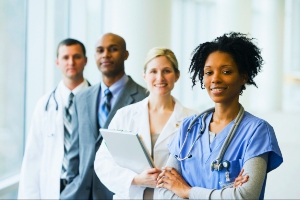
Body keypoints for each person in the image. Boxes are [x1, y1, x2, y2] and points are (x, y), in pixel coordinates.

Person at [157, 32, 283, 199]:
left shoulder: (257, 131)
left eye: (226, 71)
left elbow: (245, 195)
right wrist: (226, 194)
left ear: (243, 76)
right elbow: (162, 191)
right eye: (209, 73)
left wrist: (186, 191)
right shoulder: (189, 128)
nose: (215, 79)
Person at [94, 47, 198, 199]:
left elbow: (201, 167)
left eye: (167, 71)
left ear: (177, 75)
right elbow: (103, 162)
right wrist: (135, 179)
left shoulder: (193, 120)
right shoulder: (125, 115)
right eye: (153, 71)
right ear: (144, 76)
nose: (160, 77)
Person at [60, 33, 148, 199]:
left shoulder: (143, 98)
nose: (105, 54)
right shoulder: (82, 97)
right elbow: (74, 150)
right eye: (100, 50)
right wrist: (72, 183)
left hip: (116, 193)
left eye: (113, 49)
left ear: (125, 54)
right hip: (79, 193)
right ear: (94, 56)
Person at [18, 38, 90, 199]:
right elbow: (33, 156)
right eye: (65, 57)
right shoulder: (44, 104)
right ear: (57, 62)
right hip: (54, 187)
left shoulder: (97, 101)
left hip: (86, 187)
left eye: (76, 57)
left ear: (85, 61)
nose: (71, 62)